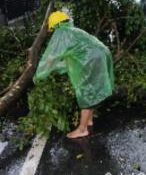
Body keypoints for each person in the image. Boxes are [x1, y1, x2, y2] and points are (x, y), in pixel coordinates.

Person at [34, 11, 114, 139]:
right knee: (90, 90)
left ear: (55, 26)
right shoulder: (74, 30)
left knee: (85, 91)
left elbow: (51, 57)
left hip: (91, 60)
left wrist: (39, 74)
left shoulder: (62, 33)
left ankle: (82, 130)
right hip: (101, 54)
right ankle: (89, 121)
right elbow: (70, 55)